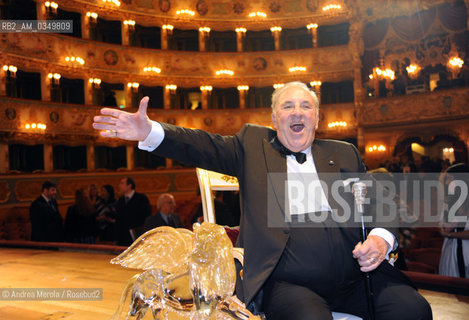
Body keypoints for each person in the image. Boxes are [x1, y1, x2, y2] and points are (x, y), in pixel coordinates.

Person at [93, 81, 432, 319]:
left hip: (357, 278)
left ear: (316, 117)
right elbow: (200, 144)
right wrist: (150, 132)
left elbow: (379, 202)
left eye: (306, 106)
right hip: (289, 284)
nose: (297, 112)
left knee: (413, 309)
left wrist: (381, 238)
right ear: (274, 119)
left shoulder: (344, 153)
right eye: (287, 106)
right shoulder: (252, 147)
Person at [439, 163, 469, 279]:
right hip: (451, 252)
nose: (447, 183)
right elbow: (443, 225)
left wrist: (449, 233)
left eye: (450, 179)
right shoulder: (450, 201)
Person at [115, 177, 151, 246]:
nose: (119, 186)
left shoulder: (141, 198)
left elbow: (147, 216)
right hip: (123, 238)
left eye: (122, 183)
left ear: (129, 185)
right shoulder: (120, 200)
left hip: (137, 236)